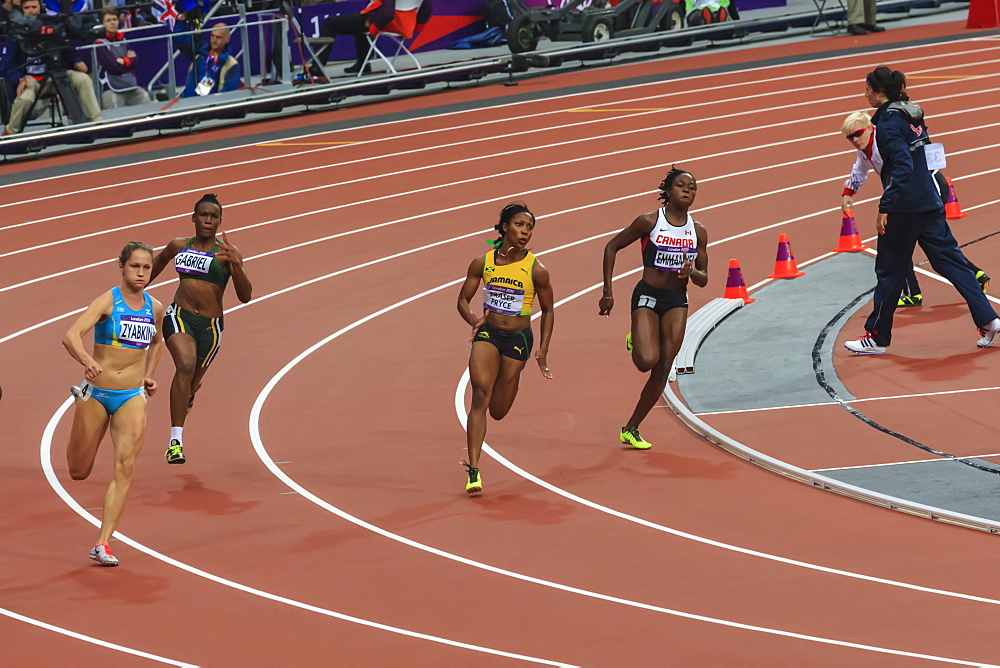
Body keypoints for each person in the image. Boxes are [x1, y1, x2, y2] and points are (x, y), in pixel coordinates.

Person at [844, 66, 1000, 354]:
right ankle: (989, 320)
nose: (864, 95)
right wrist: (935, 189)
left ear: (879, 94)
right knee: (950, 263)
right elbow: (927, 154)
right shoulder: (912, 115)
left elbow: (902, 166)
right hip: (930, 201)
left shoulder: (888, 125)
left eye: (867, 90)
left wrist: (885, 205)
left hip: (904, 207)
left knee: (889, 270)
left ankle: (876, 337)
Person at [62, 241, 165, 566]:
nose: (141, 273)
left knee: (125, 465)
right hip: (97, 393)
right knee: (78, 470)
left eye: (146, 267)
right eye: (135, 266)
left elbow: (158, 340)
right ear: (121, 266)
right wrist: (87, 360)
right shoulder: (109, 301)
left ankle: (103, 542)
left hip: (131, 396)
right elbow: (71, 335)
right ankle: (79, 402)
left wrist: (148, 375)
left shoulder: (155, 307)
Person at [599, 166, 708, 449]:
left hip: (676, 300)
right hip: (648, 296)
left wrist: (692, 273)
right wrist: (608, 292)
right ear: (668, 191)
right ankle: (637, 334)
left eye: (693, 187)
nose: (688, 190)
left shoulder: (698, 231)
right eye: (682, 185)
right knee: (645, 361)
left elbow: (704, 279)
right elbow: (611, 247)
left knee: (662, 367)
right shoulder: (649, 221)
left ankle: (631, 427)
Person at [839, 110, 989, 308]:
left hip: (926, 190)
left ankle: (913, 293)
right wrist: (848, 192)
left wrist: (887, 205)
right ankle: (973, 274)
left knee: (903, 243)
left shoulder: (884, 141)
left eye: (857, 133)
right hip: (912, 194)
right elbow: (859, 170)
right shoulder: (864, 150)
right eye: (850, 137)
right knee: (930, 243)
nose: (855, 140)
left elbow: (904, 170)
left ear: (869, 128)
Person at [456, 202, 554, 495]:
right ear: (504, 227)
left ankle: (513, 375)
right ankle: (473, 470)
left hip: (518, 340)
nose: (525, 232)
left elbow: (548, 310)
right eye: (520, 225)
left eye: (530, 227)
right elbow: (462, 299)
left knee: (498, 411)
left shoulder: (537, 269)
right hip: (488, 333)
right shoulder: (482, 263)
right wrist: (474, 319)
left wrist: (543, 350)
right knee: (479, 397)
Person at [150, 194, 252, 464]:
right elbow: (157, 263)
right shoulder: (179, 246)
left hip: (211, 327)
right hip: (180, 316)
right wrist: (131, 292)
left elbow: (246, 296)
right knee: (184, 364)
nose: (208, 220)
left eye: (213, 216)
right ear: (193, 218)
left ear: (220, 221)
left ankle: (191, 391)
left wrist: (236, 265)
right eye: (203, 215)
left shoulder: (229, 253)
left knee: (191, 381)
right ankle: (175, 442)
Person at [1, 0, 102, 135]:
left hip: (58, 73)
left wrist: (76, 60)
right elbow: (7, 66)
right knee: (25, 99)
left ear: (41, 8)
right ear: (22, 10)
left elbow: (67, 47)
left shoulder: (52, 24)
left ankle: (96, 122)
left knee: (83, 79)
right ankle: (10, 133)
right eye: (27, 8)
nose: (31, 10)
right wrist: (19, 79)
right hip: (31, 80)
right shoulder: (16, 32)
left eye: (34, 7)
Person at [310, 0, 432, 77]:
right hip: (404, 25)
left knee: (330, 23)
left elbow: (388, 13)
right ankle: (363, 64)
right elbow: (427, 7)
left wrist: (375, 28)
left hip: (382, 22)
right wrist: (417, 27)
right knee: (358, 23)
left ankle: (317, 67)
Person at [94, 7, 149, 109]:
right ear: (102, 24)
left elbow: (137, 61)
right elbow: (112, 67)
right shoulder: (99, 44)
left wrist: (124, 61)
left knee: (144, 97)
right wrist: (129, 62)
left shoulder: (123, 39)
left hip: (130, 86)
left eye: (114, 20)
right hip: (110, 89)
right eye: (108, 20)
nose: (112, 23)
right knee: (113, 102)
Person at [172, 20, 241, 97]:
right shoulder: (200, 53)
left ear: (227, 39)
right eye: (212, 36)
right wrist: (182, 19)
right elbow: (180, 38)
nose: (214, 40)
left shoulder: (231, 64)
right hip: (190, 102)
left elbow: (230, 92)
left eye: (218, 37)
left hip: (212, 106)